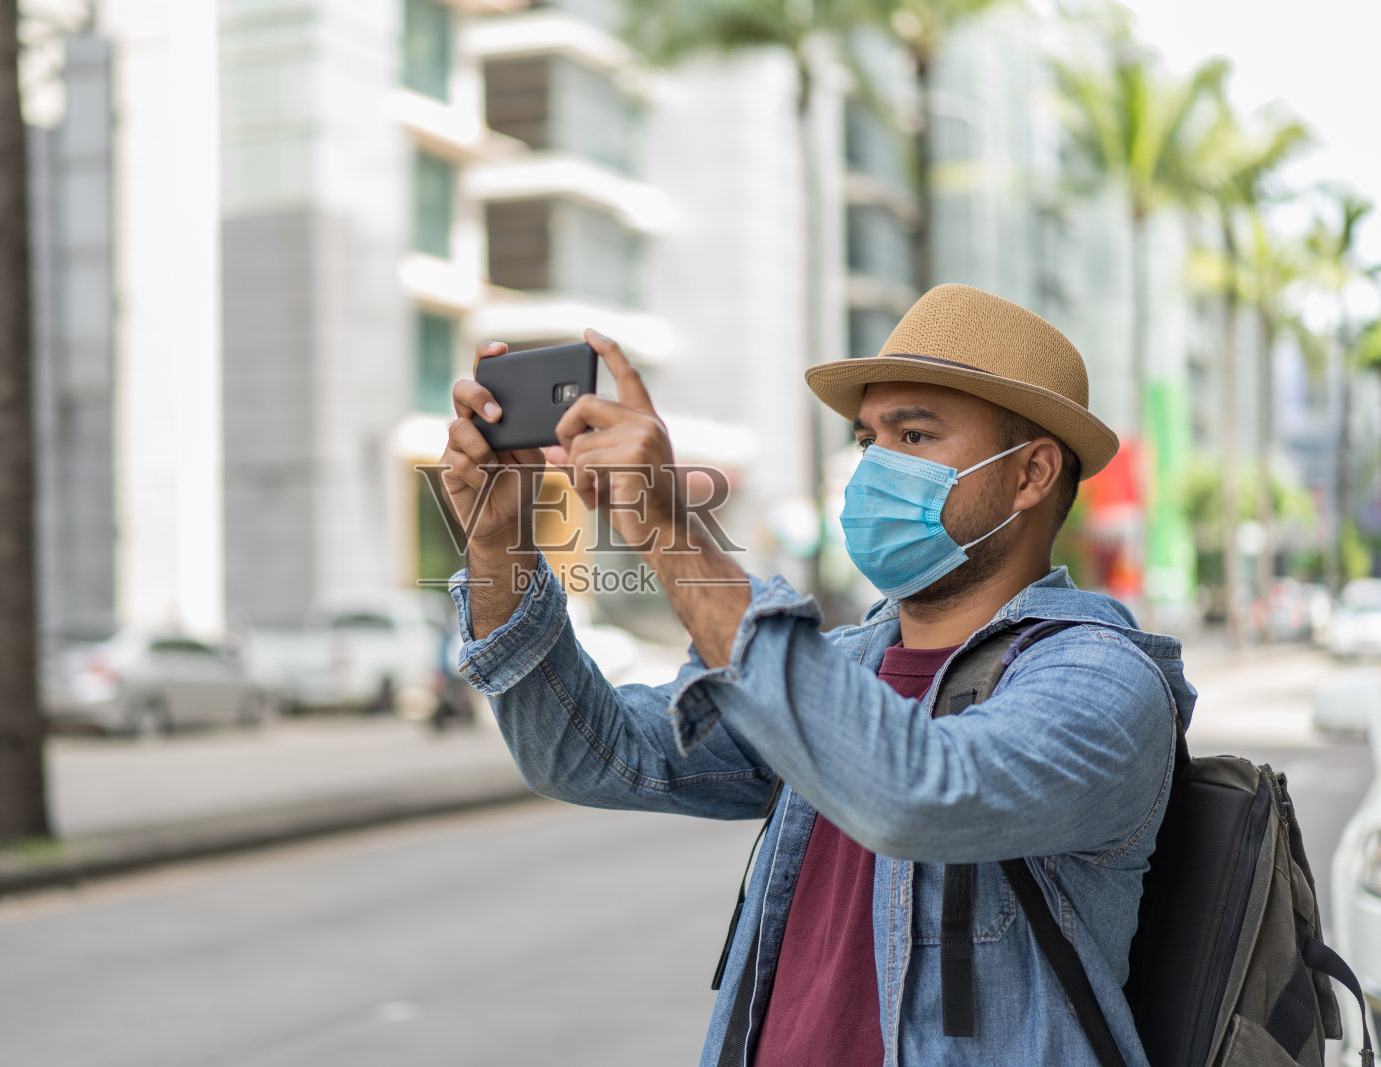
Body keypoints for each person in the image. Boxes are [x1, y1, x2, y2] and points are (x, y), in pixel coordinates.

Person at [435, 283, 1195, 1066]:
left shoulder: (1103, 680)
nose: (875, 467)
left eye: (914, 434)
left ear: (1032, 473)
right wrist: (499, 548)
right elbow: (591, 755)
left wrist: (668, 528)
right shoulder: (840, 664)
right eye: (870, 439)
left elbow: (916, 792)